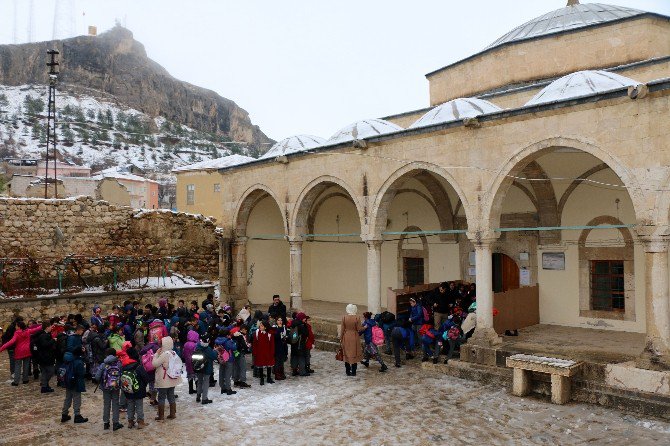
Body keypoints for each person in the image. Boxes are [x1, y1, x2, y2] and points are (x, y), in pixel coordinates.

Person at [0, 319, 41, 386]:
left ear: (19, 327)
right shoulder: (28, 331)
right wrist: (45, 325)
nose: (15, 327)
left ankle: (16, 381)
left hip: (19, 351)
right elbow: (37, 329)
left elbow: (11, 342)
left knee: (18, 366)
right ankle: (25, 379)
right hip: (27, 350)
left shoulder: (17, 333)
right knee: (26, 365)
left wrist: (1, 348)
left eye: (16, 326)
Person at [61, 325, 88, 424]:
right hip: (76, 380)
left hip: (68, 379)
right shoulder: (78, 361)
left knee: (68, 397)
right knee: (76, 397)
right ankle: (77, 415)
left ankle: (64, 414)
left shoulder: (67, 360)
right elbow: (81, 373)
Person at [151, 335, 181, 421]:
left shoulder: (164, 354)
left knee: (161, 397)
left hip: (164, 380)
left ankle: (161, 416)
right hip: (172, 379)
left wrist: (156, 354)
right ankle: (172, 414)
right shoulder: (173, 353)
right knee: (171, 396)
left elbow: (154, 364)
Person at [96, 347, 124, 431]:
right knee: (115, 404)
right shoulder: (119, 363)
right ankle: (116, 423)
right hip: (115, 387)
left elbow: (97, 377)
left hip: (106, 387)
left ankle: (106, 423)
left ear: (106, 354)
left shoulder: (103, 364)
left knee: (106, 404)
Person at [122, 348, 149, 429]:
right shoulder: (138, 366)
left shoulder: (124, 366)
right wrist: (144, 385)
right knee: (139, 406)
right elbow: (145, 377)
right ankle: (140, 422)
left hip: (128, 389)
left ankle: (130, 422)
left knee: (130, 405)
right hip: (139, 390)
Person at [33, 319, 57, 393]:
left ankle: (45, 387)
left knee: (44, 372)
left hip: (43, 356)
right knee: (50, 371)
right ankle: (44, 384)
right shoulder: (43, 335)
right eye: (50, 327)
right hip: (45, 357)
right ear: (47, 327)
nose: (51, 328)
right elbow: (45, 345)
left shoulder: (44, 334)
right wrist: (53, 340)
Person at [340, 304, 362, 376]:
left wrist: (341, 338)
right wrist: (365, 327)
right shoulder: (357, 318)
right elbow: (359, 329)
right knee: (354, 353)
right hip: (354, 336)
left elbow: (342, 329)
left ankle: (347, 371)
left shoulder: (344, 317)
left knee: (346, 353)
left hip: (346, 336)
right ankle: (354, 371)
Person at [194, 336, 217, 403]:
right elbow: (214, 356)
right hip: (207, 368)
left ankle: (198, 396)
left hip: (199, 367)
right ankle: (204, 398)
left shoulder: (197, 346)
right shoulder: (208, 349)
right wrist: (215, 351)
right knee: (206, 383)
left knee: (199, 381)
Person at [252, 320, 275, 385]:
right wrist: (255, 353)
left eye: (262, 325)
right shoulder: (257, 333)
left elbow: (272, 344)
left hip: (268, 352)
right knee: (261, 365)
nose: (260, 326)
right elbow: (255, 344)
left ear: (265, 327)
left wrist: (272, 353)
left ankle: (269, 378)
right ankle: (261, 378)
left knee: (269, 365)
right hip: (260, 352)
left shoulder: (270, 334)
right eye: (260, 325)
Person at [183, 329, 200, 395]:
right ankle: (198, 389)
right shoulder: (195, 345)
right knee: (196, 376)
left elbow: (183, 353)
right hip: (194, 362)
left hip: (188, 362)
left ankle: (190, 389)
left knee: (190, 375)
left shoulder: (185, 344)